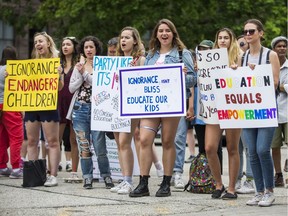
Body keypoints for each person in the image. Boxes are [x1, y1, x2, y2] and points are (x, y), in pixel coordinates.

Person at [129, 19, 196, 198]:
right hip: (151, 104)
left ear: (173, 33)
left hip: (172, 104)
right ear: (156, 35)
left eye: (167, 30)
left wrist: (182, 76)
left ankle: (166, 182)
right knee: (144, 140)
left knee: (167, 141)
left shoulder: (183, 54)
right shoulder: (151, 55)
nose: (164, 34)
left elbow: (193, 79)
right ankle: (143, 183)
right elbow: (141, 78)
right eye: (161, 31)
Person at [239, 19, 280, 207]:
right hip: (248, 110)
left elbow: (275, 83)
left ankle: (269, 191)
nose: (248, 34)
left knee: (263, 149)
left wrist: (256, 75)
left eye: (252, 31)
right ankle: (259, 190)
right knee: (252, 151)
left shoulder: (270, 55)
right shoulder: (243, 57)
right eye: (246, 31)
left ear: (261, 33)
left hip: (266, 109)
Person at [68, 36, 114, 189]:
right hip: (80, 110)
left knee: (100, 146)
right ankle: (87, 177)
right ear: (83, 50)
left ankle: (106, 175)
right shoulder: (78, 66)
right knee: (84, 147)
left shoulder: (102, 65)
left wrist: (85, 74)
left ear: (96, 49)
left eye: (91, 47)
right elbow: (71, 88)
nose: (88, 50)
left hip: (98, 110)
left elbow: (99, 84)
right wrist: (81, 74)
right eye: (86, 47)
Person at [204, 28, 242, 200]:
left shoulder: (239, 56)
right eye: (220, 37)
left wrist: (237, 70)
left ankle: (232, 187)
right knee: (210, 147)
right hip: (213, 107)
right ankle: (218, 184)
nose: (223, 40)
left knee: (233, 148)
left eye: (226, 37)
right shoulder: (210, 58)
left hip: (233, 107)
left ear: (231, 40)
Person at [109, 27, 145, 195]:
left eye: (127, 38)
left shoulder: (140, 60)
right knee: (119, 143)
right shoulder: (115, 60)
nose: (123, 41)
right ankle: (125, 179)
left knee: (124, 141)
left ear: (135, 41)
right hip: (115, 105)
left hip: (131, 106)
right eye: (121, 37)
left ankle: (129, 181)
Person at [25, 32, 63, 187]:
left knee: (52, 141)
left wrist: (59, 75)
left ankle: (52, 175)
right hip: (32, 106)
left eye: (40, 41)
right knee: (32, 141)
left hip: (48, 105)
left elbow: (60, 88)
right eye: (35, 42)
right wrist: (11, 76)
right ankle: (34, 175)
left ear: (48, 43)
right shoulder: (31, 64)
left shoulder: (55, 63)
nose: (37, 44)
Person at [58, 36, 80, 179]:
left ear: (74, 47)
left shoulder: (79, 63)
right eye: (63, 44)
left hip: (74, 103)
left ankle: (73, 171)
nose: (65, 47)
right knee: (56, 138)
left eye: (68, 44)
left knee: (73, 139)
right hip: (59, 103)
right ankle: (52, 170)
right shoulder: (57, 64)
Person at [0, 46, 24, 178]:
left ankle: (2, 166)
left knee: (1, 138)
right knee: (16, 137)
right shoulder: (12, 70)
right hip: (10, 105)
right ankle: (16, 168)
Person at [270, 36, 288, 187]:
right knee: (274, 146)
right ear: (273, 50)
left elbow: (276, 86)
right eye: (279, 46)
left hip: (287, 112)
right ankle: (278, 175)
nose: (282, 48)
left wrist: (280, 87)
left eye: (284, 46)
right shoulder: (268, 67)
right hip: (273, 113)